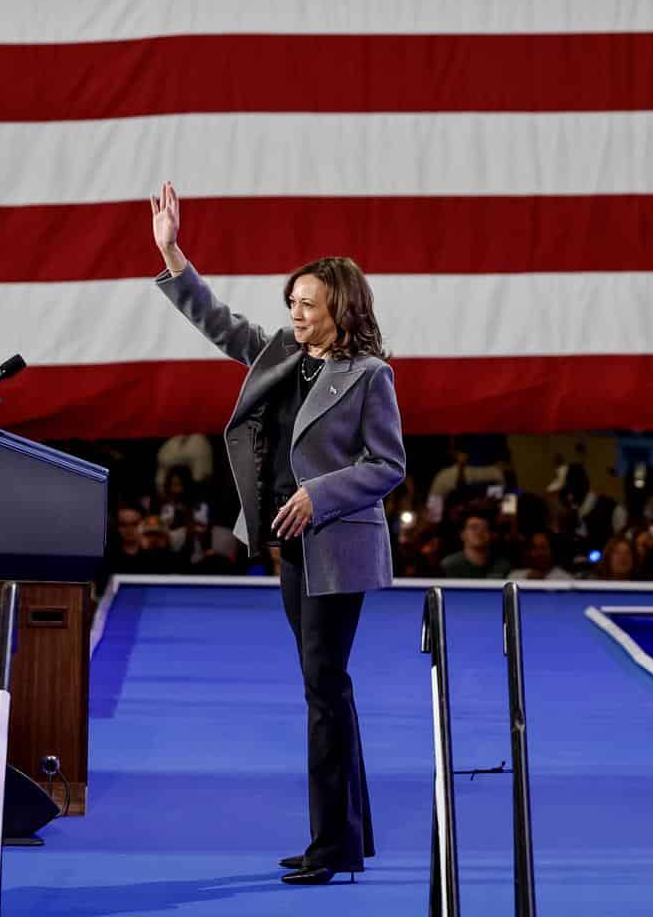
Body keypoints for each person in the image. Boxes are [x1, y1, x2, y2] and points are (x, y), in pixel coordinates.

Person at [150, 180, 406, 886]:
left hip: (338, 549)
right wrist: (173, 254)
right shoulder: (281, 356)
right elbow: (221, 322)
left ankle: (332, 846)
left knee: (324, 688)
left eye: (307, 305)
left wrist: (316, 496)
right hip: (291, 551)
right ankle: (344, 839)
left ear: (340, 312)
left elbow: (388, 465)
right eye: (290, 303)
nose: (294, 313)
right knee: (324, 688)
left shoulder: (368, 376)